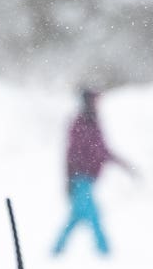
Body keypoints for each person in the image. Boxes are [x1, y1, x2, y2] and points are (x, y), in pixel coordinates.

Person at [54, 87, 136, 257]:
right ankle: (105, 252)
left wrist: (123, 164)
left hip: (87, 178)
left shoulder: (92, 123)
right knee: (94, 216)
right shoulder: (81, 124)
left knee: (77, 218)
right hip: (80, 178)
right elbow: (75, 153)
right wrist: (69, 178)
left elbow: (101, 150)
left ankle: (56, 251)